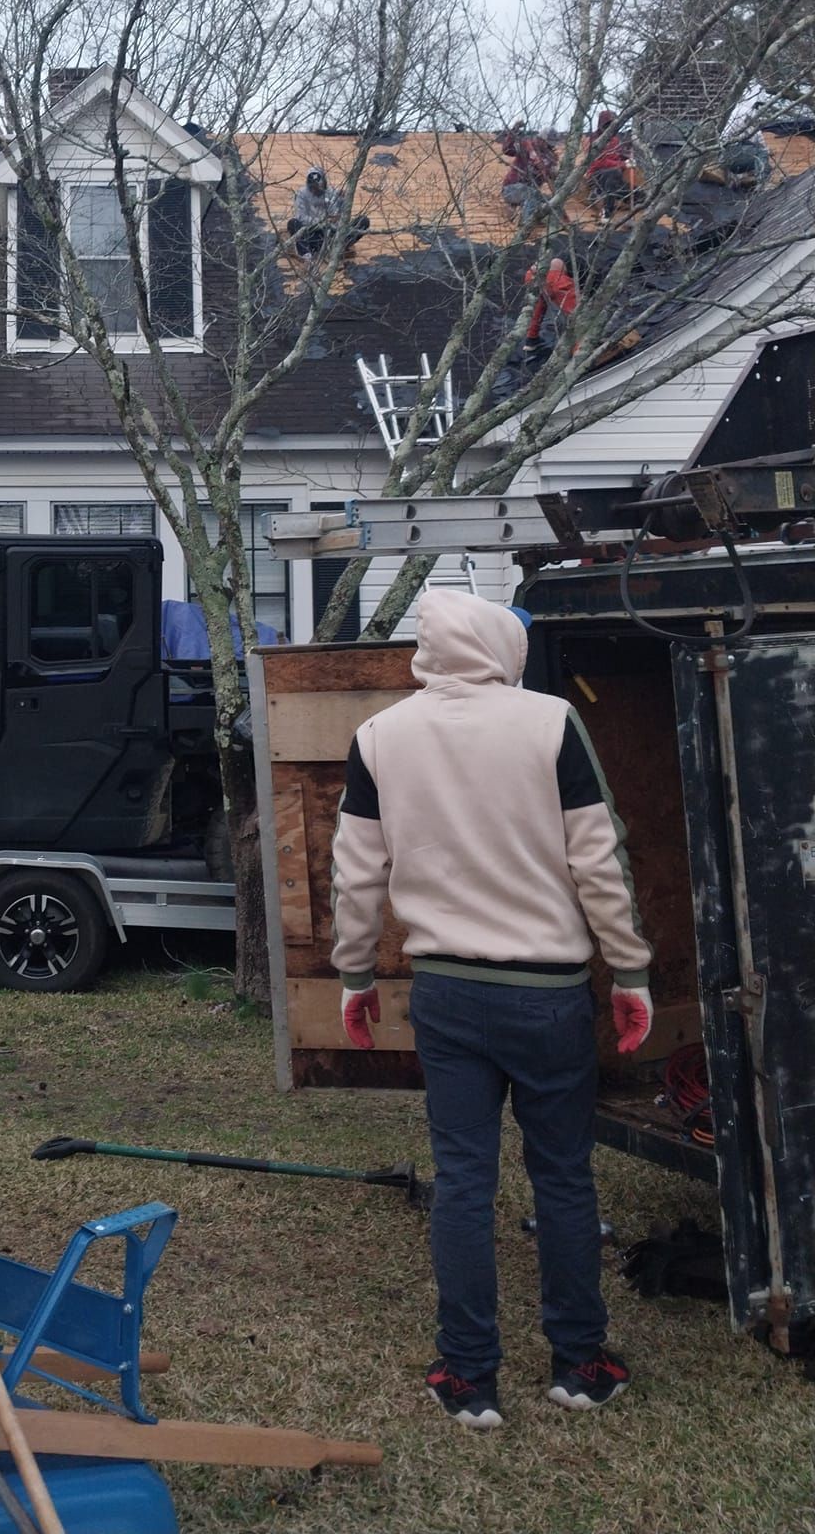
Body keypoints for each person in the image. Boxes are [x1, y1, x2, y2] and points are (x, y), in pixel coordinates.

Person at [330, 589, 653, 1430]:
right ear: (502, 648)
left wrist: (354, 977)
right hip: (548, 998)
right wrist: (632, 973)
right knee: (563, 1178)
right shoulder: (550, 723)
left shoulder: (378, 738)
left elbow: (355, 875)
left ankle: (469, 1379)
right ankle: (581, 1362)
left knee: (464, 1182)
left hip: (446, 996)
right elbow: (600, 859)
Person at [291, 165, 369, 258]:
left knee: (363, 220)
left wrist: (342, 201)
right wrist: (322, 221)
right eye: (313, 187)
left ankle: (339, 247)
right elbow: (301, 217)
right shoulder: (301, 194)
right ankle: (306, 254)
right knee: (293, 223)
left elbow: (340, 216)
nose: (315, 189)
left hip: (331, 234)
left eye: (318, 186)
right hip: (312, 234)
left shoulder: (331, 192)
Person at [497, 128, 556, 226]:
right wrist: (513, 131)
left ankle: (536, 219)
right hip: (511, 189)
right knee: (530, 193)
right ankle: (526, 224)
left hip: (532, 192)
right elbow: (507, 150)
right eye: (547, 143)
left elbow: (551, 176)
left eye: (551, 144)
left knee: (549, 200)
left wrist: (550, 171)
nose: (549, 146)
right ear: (540, 140)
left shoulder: (551, 157)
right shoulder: (526, 146)